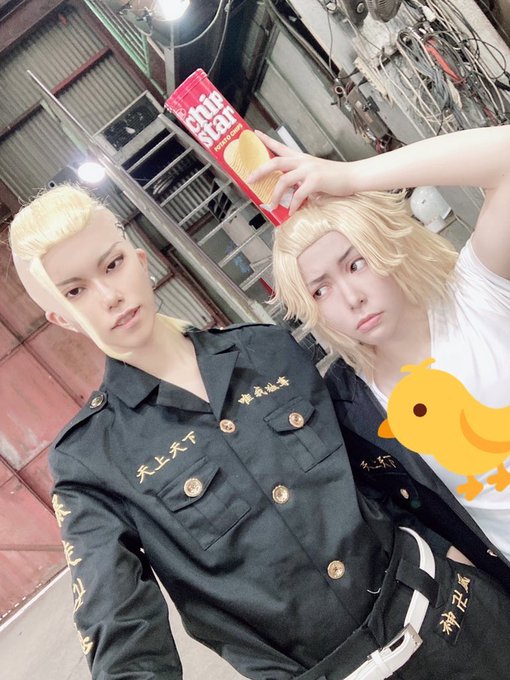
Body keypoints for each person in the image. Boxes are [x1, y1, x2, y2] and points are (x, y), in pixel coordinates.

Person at [9, 184, 510, 680]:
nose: (110, 296)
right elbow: (119, 625)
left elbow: (373, 475)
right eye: (75, 291)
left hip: (455, 617)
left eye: (112, 264)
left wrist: (453, 557)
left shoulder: (269, 352)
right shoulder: (92, 459)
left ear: (140, 260)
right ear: (60, 317)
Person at [250, 125, 510, 565]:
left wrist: (351, 176)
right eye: (320, 290)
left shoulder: (476, 293)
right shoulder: (353, 408)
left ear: (385, 245)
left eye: (356, 264)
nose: (352, 298)